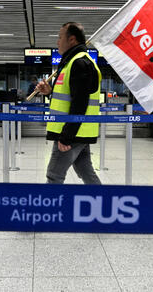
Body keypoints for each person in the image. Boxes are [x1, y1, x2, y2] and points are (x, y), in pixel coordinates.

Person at [35, 22, 102, 185]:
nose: (57, 41)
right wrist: (49, 92)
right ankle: (104, 204)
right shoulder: (71, 63)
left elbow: (80, 102)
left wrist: (66, 137)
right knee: (86, 171)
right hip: (79, 130)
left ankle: (50, 210)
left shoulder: (79, 63)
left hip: (72, 131)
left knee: (54, 175)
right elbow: (69, 96)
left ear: (71, 39)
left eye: (60, 37)